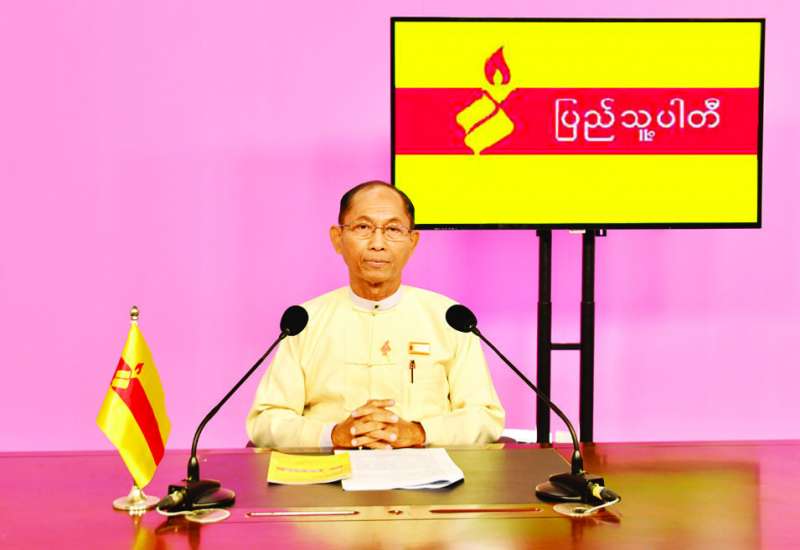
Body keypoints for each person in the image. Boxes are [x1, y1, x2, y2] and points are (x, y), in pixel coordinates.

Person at [246, 181, 505, 449]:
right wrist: (332, 435)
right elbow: (266, 420)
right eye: (363, 227)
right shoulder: (305, 321)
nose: (378, 244)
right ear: (337, 238)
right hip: (329, 469)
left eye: (393, 229)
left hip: (425, 470)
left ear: (413, 241)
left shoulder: (449, 319)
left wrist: (419, 433)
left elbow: (484, 417)